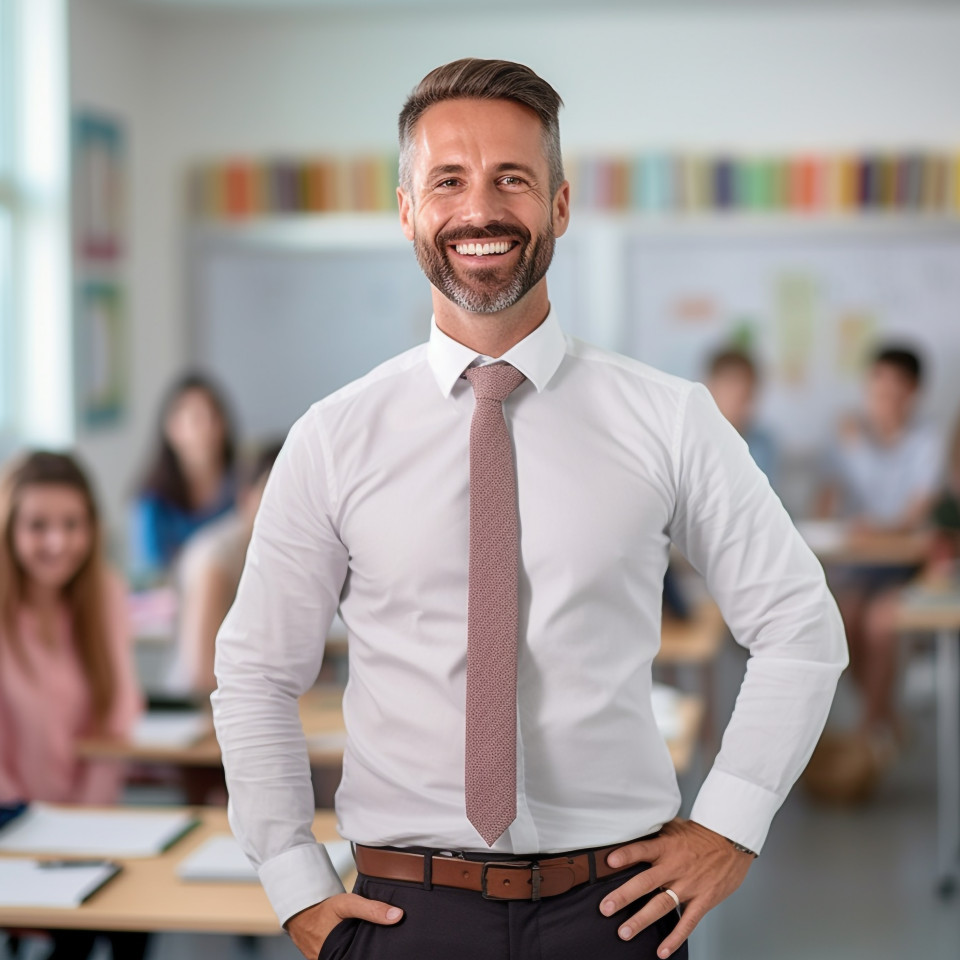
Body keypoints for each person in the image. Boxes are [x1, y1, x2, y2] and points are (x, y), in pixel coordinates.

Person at [213, 59, 847, 960]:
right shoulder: (333, 437)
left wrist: (731, 826)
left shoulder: (668, 418)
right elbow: (255, 672)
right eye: (448, 181)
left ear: (558, 205)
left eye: (513, 178)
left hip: (618, 907)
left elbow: (801, 627)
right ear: (407, 211)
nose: (482, 209)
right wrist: (293, 880)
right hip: (404, 911)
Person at [0, 452, 146, 960]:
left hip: (89, 812)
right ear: (9, 528)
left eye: (71, 524)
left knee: (132, 913)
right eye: (38, 526)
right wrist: (35, 830)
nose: (57, 542)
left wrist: (82, 827)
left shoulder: (104, 592)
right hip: (10, 818)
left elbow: (118, 714)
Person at [815, 345, 942, 748]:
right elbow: (825, 505)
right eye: (875, 388)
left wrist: (857, 453)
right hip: (858, 566)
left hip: (906, 568)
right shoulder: (848, 434)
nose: (881, 400)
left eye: (892, 390)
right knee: (844, 618)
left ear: (914, 392)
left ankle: (868, 732)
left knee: (878, 625)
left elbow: (912, 516)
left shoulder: (928, 442)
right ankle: (882, 716)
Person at [170, 442, 283, 697]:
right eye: (272, 491)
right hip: (200, 708)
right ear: (245, 496)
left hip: (250, 696)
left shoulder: (279, 548)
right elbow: (202, 672)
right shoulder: (216, 557)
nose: (284, 504)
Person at [129, 372, 237, 587]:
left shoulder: (241, 489)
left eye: (213, 416)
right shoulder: (153, 504)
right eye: (196, 419)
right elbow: (151, 581)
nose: (207, 428)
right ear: (172, 429)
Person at [704, 347, 778, 487]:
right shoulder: (690, 440)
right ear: (710, 388)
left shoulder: (762, 444)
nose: (740, 406)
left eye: (746, 396)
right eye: (731, 392)